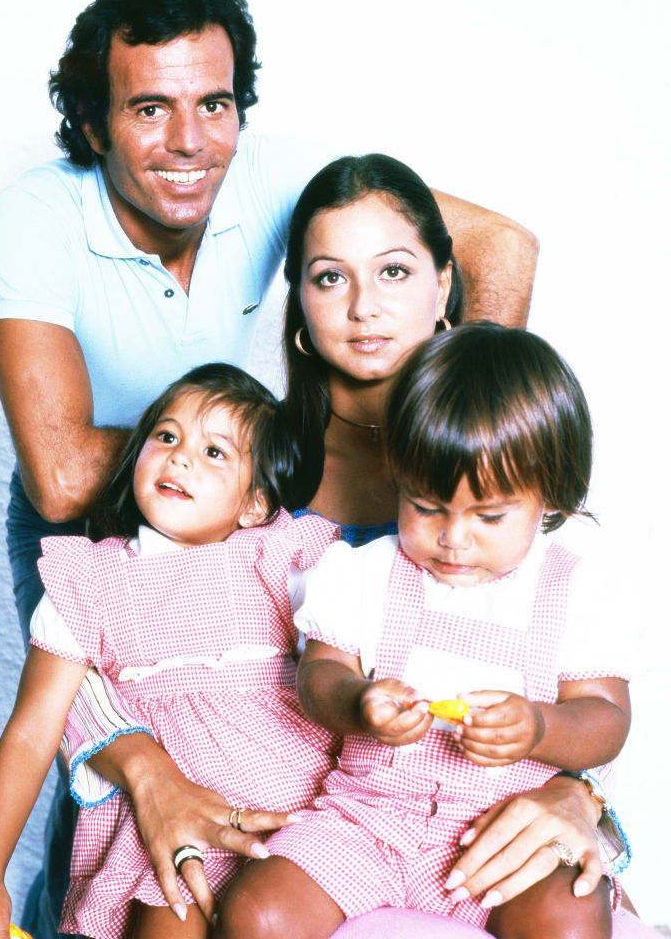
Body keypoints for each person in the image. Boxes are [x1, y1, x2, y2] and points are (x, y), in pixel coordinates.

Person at [0, 0, 540, 938]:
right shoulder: (36, 216)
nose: (189, 141)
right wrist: (228, 448)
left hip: (262, 522)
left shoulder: (279, 178)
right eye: (148, 108)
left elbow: (502, 246)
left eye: (215, 104)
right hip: (104, 526)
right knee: (106, 817)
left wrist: (453, 415)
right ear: (92, 118)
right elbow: (66, 475)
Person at [216, 322, 632, 939]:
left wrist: (540, 726)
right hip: (368, 820)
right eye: (427, 506)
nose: (453, 539)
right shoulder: (365, 571)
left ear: (551, 497)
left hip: (506, 829)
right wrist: (358, 702)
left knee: (569, 917)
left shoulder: (572, 591)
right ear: (398, 477)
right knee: (257, 912)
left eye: (488, 516)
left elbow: (606, 719)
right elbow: (318, 675)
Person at [0, 363, 343, 939]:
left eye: (215, 452)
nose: (180, 457)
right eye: (166, 436)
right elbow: (31, 732)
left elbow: (349, 657)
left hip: (296, 819)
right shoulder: (88, 580)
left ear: (255, 505)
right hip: (168, 836)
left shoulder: (281, 556)